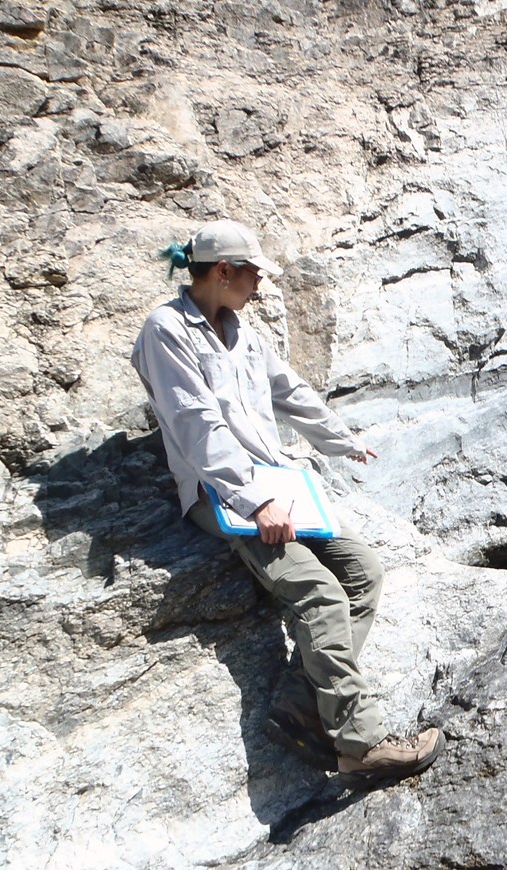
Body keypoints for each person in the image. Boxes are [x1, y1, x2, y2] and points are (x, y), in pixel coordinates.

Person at [130, 218, 443, 782]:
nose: (259, 284)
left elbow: (287, 390)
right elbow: (196, 424)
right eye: (252, 273)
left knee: (363, 573)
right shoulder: (166, 331)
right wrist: (252, 502)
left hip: (276, 486)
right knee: (320, 593)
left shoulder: (241, 329)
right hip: (221, 493)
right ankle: (359, 743)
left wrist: (341, 440)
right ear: (223, 271)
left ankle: (300, 705)